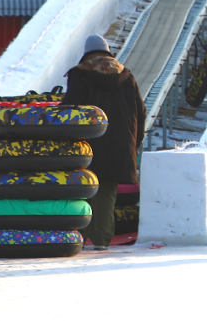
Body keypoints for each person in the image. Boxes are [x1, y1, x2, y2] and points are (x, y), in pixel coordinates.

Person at [61, 35, 145, 251]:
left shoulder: (81, 74)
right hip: (120, 144)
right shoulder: (127, 76)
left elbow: (71, 109)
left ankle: (79, 239)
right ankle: (102, 241)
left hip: (87, 145)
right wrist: (134, 143)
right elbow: (141, 112)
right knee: (107, 192)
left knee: (82, 190)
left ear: (88, 52)